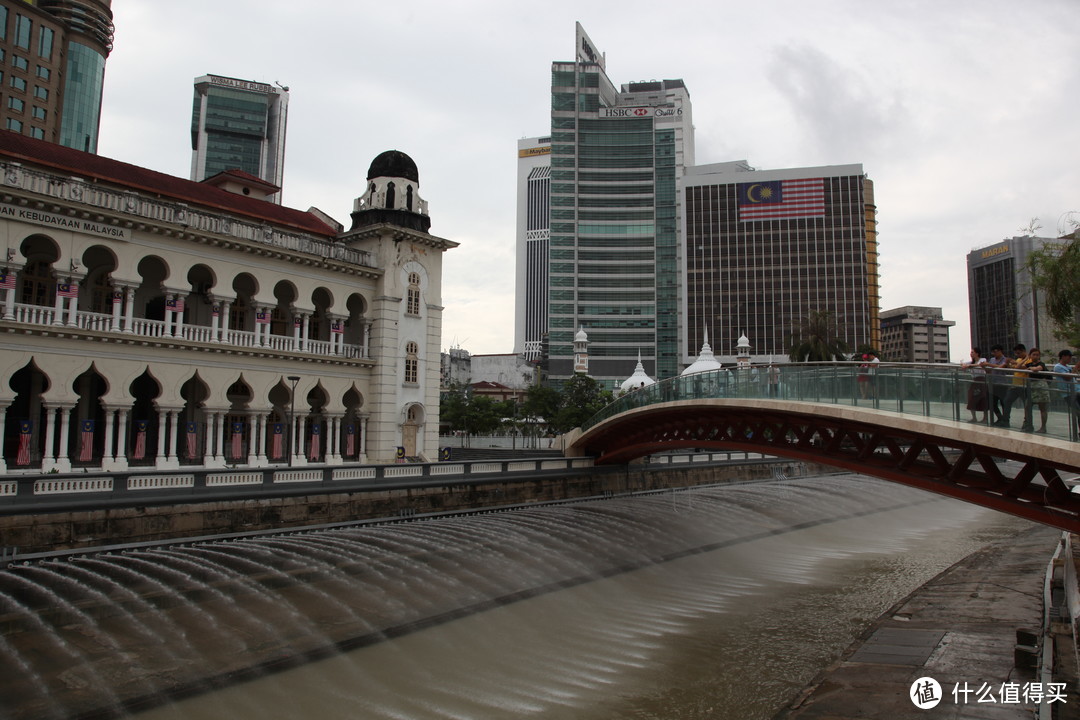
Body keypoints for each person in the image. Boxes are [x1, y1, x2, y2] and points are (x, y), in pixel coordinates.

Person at [1001, 344, 1031, 428]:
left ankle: (1027, 423)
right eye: (1016, 354)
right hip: (1015, 386)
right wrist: (1008, 364)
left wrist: (1023, 360)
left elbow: (1021, 367)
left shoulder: (1029, 360)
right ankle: (1005, 420)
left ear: (1023, 351)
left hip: (1024, 386)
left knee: (1027, 405)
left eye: (1019, 353)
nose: (1017, 355)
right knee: (1007, 401)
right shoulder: (1019, 359)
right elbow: (1014, 368)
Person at [1053, 350, 1080, 435]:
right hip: (1068, 393)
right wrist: (1076, 367)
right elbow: (1068, 378)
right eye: (1069, 356)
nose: (1070, 358)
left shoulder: (1068, 366)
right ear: (1063, 356)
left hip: (1077, 391)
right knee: (1078, 411)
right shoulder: (1058, 367)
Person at [1024, 348, 1050, 433]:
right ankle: (1029, 425)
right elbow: (1018, 367)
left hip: (1040, 385)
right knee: (1027, 406)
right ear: (1030, 355)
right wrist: (1026, 359)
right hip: (1031, 386)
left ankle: (1043, 427)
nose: (1035, 356)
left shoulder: (1041, 363)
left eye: (1037, 355)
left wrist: (1030, 368)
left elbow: (1037, 368)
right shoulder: (1029, 363)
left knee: (1042, 407)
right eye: (1033, 354)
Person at [983, 345, 1010, 425]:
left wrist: (988, 364)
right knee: (991, 403)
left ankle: (1006, 420)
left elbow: (1000, 367)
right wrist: (984, 367)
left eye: (995, 351)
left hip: (1002, 384)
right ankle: (1000, 418)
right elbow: (989, 371)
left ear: (1000, 351)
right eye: (993, 352)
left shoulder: (1005, 360)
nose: (994, 353)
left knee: (1004, 403)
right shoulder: (992, 360)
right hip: (992, 383)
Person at [961, 347, 988, 423]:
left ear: (977, 353)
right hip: (974, 381)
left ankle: (985, 418)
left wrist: (968, 366)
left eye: (972, 352)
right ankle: (974, 418)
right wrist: (964, 365)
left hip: (982, 380)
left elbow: (979, 365)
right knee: (971, 399)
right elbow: (964, 365)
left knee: (983, 399)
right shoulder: (971, 362)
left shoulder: (983, 360)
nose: (971, 354)